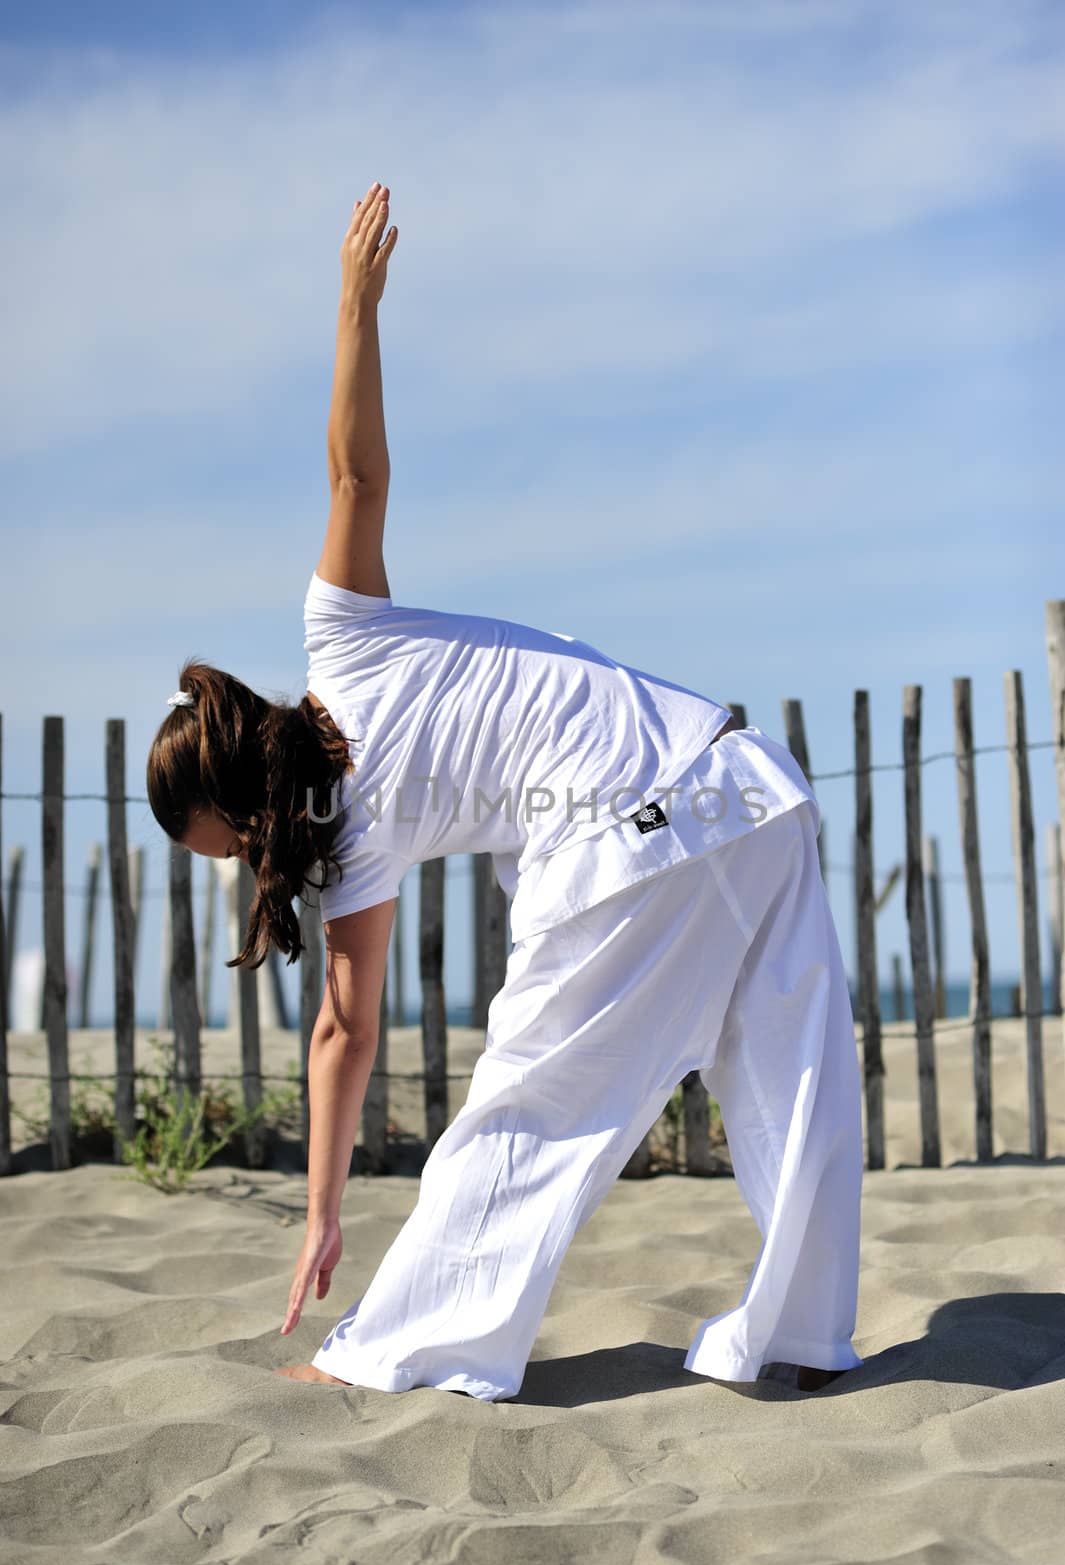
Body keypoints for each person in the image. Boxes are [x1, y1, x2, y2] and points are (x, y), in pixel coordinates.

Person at [148, 181, 865, 1401]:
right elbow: (355, 487)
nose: (224, 865)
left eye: (215, 846)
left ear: (235, 805)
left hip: (629, 834)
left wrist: (322, 1215)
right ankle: (799, 1336)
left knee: (526, 1112)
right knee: (794, 1071)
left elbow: (343, 1031)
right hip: (744, 784)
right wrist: (354, 306)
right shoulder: (344, 653)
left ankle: (396, 1353)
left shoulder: (352, 768)